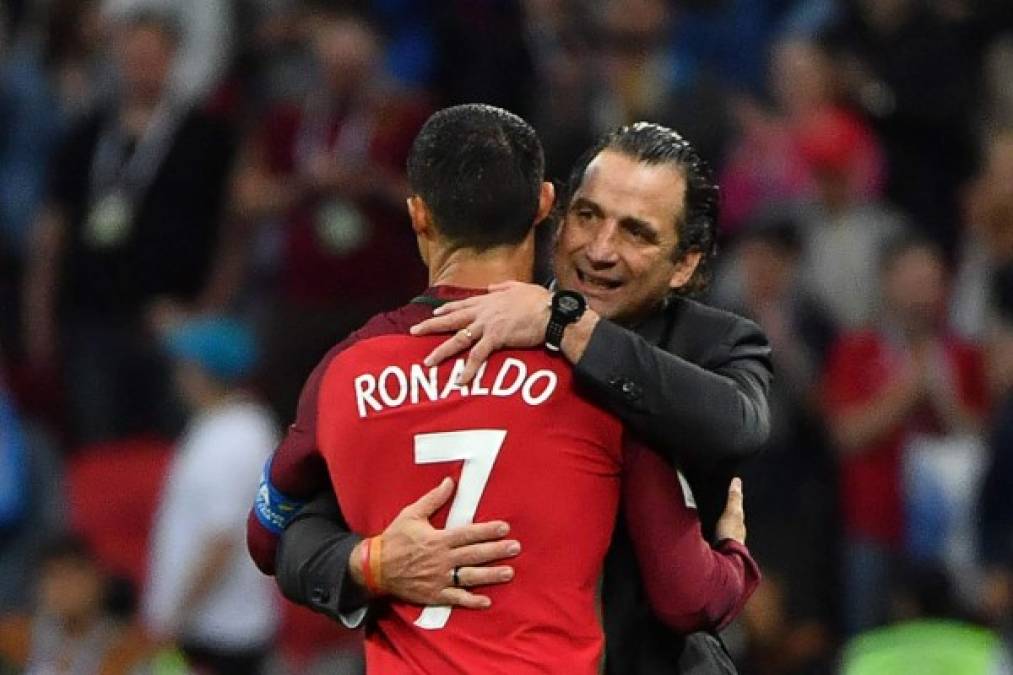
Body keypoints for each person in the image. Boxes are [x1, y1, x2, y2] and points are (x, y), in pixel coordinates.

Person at [247, 106, 760, 674]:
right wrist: (369, 563)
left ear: (417, 214)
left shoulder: (349, 369)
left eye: (635, 232)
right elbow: (688, 592)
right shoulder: (598, 394)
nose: (601, 250)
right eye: (588, 216)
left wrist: (565, 322)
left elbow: (270, 532)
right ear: (549, 207)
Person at [21, 8, 239, 445]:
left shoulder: (206, 137)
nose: (142, 65)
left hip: (172, 323)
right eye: (133, 54)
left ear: (173, 58)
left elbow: (233, 233)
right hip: (90, 321)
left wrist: (209, 308)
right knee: (98, 441)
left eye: (152, 55)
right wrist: (39, 320)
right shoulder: (84, 136)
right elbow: (52, 234)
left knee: (167, 443)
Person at [823, 236, 988, 635]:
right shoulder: (856, 350)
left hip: (948, 535)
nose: (925, 293)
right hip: (875, 527)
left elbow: (981, 437)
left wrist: (942, 395)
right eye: (914, 279)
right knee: (868, 638)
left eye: (933, 281)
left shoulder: (964, 355)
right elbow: (845, 435)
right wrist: (907, 393)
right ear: (887, 281)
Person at [145, 317, 279, 675]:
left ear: (199, 371)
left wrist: (174, 614)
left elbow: (221, 540)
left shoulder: (230, 440)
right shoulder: (235, 425)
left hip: (217, 631)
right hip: (219, 624)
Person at [0, 535, 157, 674]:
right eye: (54, 576)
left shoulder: (133, 648)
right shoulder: (16, 638)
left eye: (72, 575)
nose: (63, 587)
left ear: (98, 581)